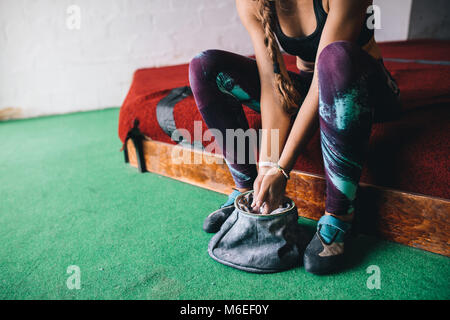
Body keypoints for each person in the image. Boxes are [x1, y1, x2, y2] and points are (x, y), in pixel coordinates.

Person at [189, 0, 401, 275]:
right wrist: (267, 169)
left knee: (334, 57)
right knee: (204, 66)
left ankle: (340, 214)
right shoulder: (251, 2)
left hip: (366, 90)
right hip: (310, 85)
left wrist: (282, 168)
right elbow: (275, 91)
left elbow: (320, 87)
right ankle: (247, 190)